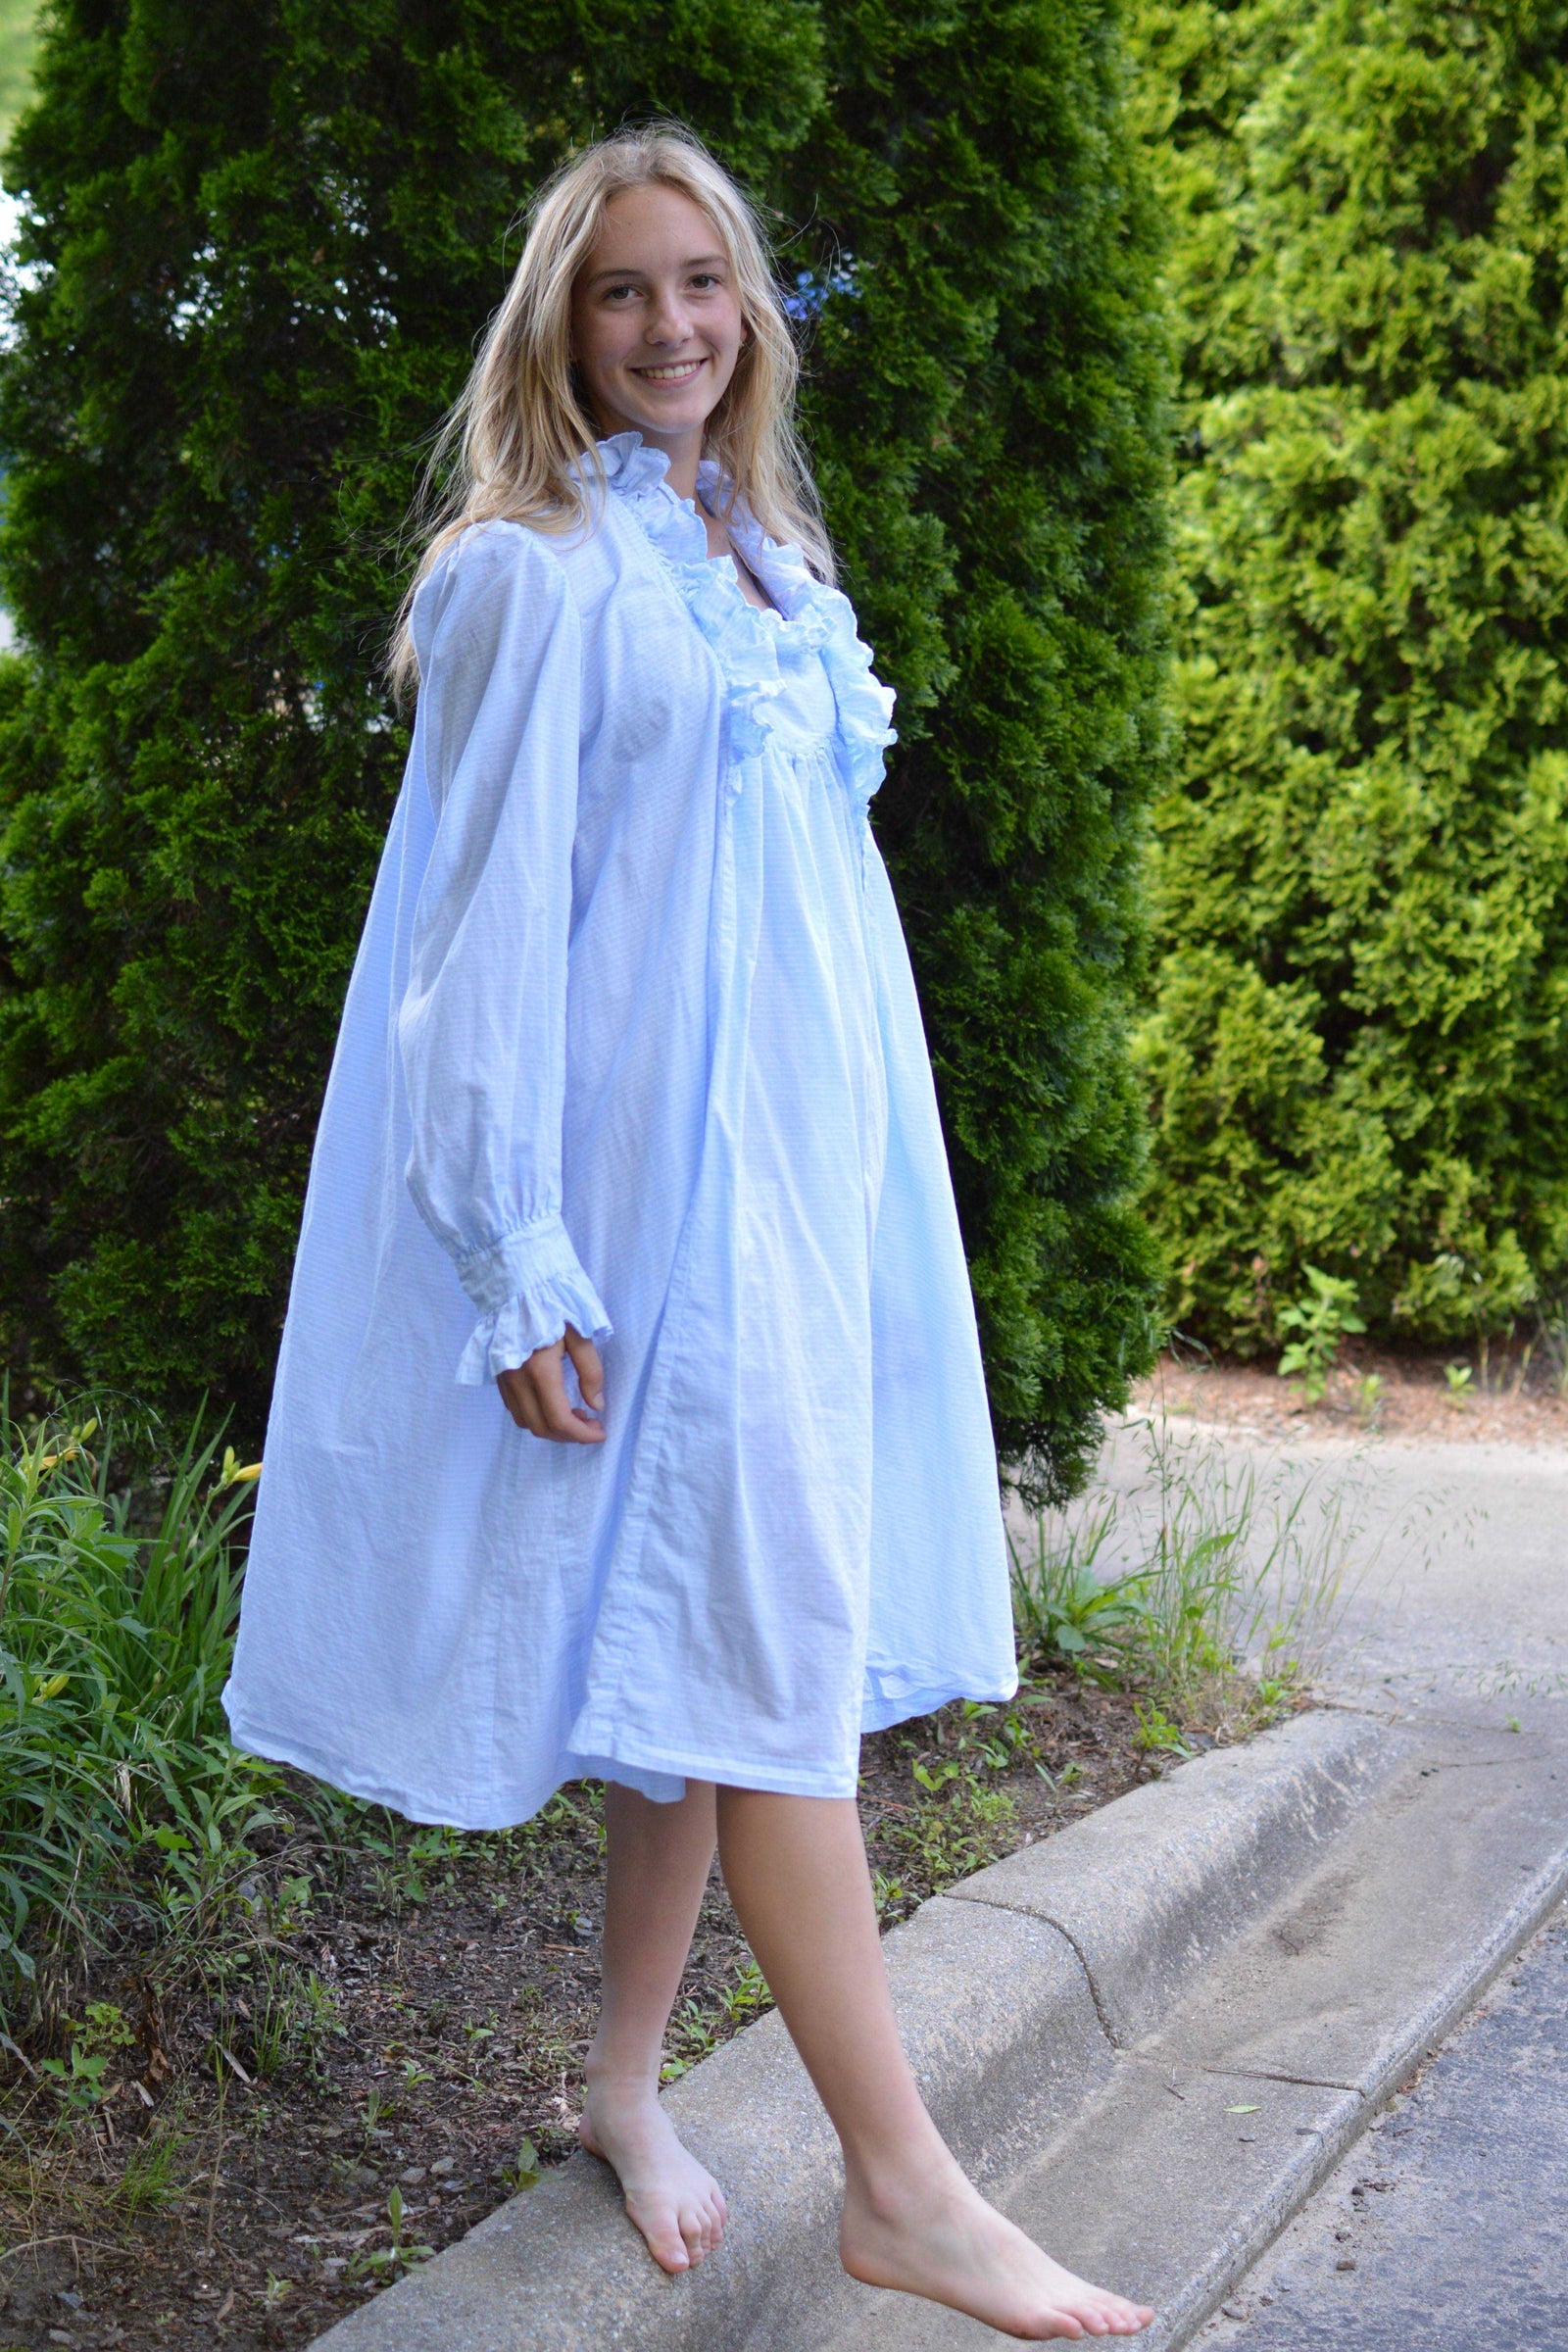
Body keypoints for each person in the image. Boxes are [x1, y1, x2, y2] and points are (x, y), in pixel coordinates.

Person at [222, 121, 1153, 2343]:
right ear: (562, 323)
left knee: (708, 1665)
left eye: (703, 285)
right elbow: (474, 951)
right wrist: (516, 1257)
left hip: (790, 1199)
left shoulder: (764, 561)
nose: (668, 326)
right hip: (640, 1218)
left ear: (753, 316)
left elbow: (796, 917)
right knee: (758, 1666)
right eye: (623, 290)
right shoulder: (530, 577)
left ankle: (626, 2086)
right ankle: (906, 2184)